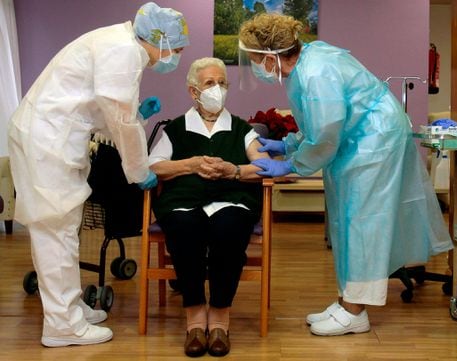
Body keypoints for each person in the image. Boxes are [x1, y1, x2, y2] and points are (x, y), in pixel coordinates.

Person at [238, 13, 453, 336]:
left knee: (362, 221)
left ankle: (356, 311)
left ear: (271, 57)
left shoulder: (315, 72)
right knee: (344, 219)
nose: (255, 66)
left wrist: (292, 164)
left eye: (256, 60)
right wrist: (288, 143)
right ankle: (346, 301)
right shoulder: (307, 64)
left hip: (373, 142)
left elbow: (326, 134)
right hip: (359, 140)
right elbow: (316, 123)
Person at [7, 2, 189, 347]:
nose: (175, 57)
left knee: (65, 230)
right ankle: (63, 326)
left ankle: (70, 307)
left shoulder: (117, 43)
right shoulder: (123, 52)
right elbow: (118, 120)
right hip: (47, 143)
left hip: (50, 139)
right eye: (176, 49)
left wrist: (136, 114)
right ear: (159, 40)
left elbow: (106, 110)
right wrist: (139, 170)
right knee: (56, 231)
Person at [148, 57, 269, 357]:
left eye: (222, 83)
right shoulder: (175, 130)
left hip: (232, 199)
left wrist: (234, 170)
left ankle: (219, 318)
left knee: (229, 227)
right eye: (210, 84)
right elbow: (153, 167)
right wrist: (189, 165)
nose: (218, 89)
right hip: (183, 202)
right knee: (185, 228)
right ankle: (194, 318)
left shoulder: (242, 129)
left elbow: (265, 166)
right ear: (193, 92)